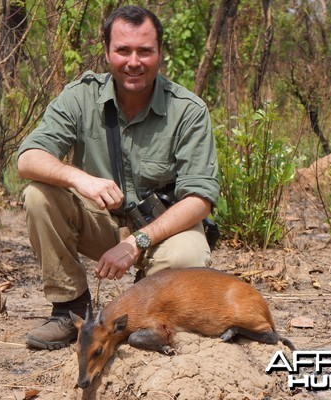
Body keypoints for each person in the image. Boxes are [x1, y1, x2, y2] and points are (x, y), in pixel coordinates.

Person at [17, 5, 219, 350]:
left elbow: (200, 199)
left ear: (160, 54)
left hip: (161, 232)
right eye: (123, 50)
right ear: (107, 51)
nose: (134, 61)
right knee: (38, 195)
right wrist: (79, 178)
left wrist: (135, 242)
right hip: (102, 226)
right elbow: (28, 159)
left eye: (145, 51)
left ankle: (149, 315)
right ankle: (69, 310)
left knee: (187, 257)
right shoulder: (81, 97)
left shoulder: (188, 110)